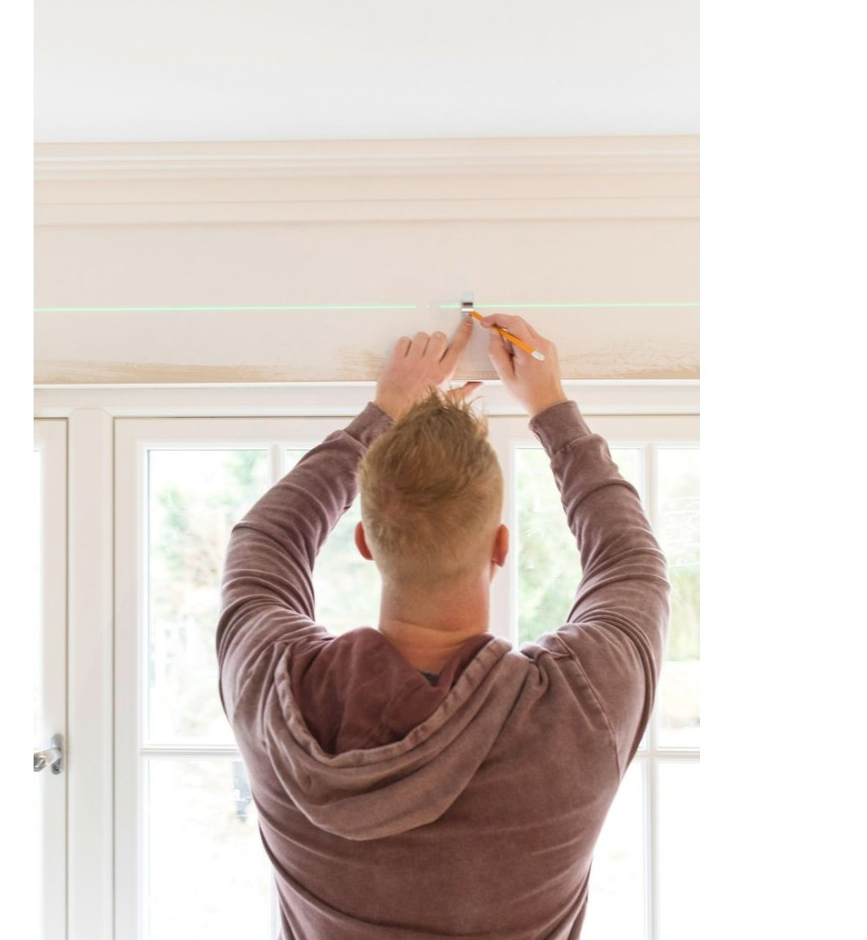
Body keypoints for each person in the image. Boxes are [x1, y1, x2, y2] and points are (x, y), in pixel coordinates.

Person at [216, 312, 670, 939]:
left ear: (366, 543)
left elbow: (264, 542)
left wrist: (383, 413)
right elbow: (631, 564)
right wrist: (550, 408)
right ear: (501, 546)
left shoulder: (274, 689)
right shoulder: (580, 706)